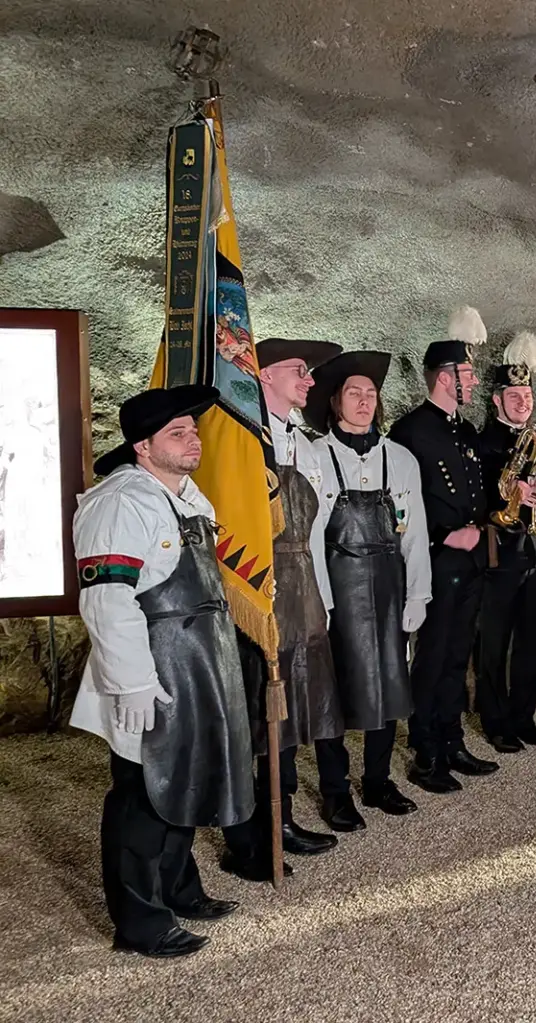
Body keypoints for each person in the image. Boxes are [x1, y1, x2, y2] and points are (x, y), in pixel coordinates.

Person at [71, 385, 253, 957]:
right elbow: (108, 602)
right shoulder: (120, 503)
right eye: (177, 433)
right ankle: (140, 923)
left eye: (193, 430)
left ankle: (178, 890)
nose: (192, 439)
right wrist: (132, 683)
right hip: (150, 669)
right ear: (142, 447)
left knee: (185, 779)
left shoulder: (188, 499)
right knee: (142, 795)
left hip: (196, 667)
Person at [221, 337, 344, 881]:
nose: (310, 381)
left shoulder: (307, 447)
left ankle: (283, 816)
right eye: (299, 370)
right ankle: (248, 834)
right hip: (260, 592)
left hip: (303, 593)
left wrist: (323, 599)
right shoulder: (243, 442)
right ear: (264, 375)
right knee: (256, 710)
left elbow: (315, 534)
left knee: (291, 710)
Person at [303, 350, 430, 829]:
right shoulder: (314, 457)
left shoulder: (400, 459)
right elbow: (309, 537)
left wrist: (418, 595)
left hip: (389, 589)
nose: (363, 401)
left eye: (370, 393)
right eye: (353, 393)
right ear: (335, 402)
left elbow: (414, 533)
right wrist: (321, 601)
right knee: (333, 691)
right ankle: (336, 791)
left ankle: (378, 780)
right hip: (337, 590)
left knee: (390, 683)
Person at [388, 307, 501, 792]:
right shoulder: (409, 431)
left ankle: (452, 740)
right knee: (432, 657)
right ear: (444, 377)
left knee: (457, 655)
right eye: (467, 374)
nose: (473, 382)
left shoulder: (466, 431)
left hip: (470, 560)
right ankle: (425, 750)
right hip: (433, 560)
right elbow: (396, 502)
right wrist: (441, 534)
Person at [475, 330, 536, 751]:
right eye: (514, 396)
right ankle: (495, 722)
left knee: (534, 641)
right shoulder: (482, 444)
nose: (522, 402)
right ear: (497, 400)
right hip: (500, 557)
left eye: (527, 396)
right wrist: (509, 495)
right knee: (493, 643)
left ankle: (523, 717)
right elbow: (474, 500)